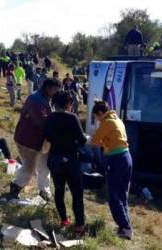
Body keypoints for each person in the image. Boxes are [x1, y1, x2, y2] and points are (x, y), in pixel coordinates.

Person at [8, 78, 60, 201]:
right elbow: (43, 123)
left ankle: (44, 190)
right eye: (55, 90)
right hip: (28, 140)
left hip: (40, 140)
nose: (57, 93)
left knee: (44, 164)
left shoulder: (47, 98)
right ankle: (16, 186)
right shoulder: (36, 101)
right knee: (29, 167)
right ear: (48, 88)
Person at [44, 91, 87, 235]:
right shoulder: (72, 117)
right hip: (70, 160)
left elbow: (47, 137)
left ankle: (63, 220)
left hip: (55, 159)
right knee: (77, 193)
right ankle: (79, 226)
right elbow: (82, 140)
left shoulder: (50, 118)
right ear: (68, 104)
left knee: (59, 190)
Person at [91, 101, 133, 240]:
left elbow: (95, 141)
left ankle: (125, 227)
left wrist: (96, 140)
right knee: (122, 193)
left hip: (115, 159)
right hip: (126, 156)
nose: (97, 120)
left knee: (113, 195)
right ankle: (125, 226)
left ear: (101, 114)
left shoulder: (107, 122)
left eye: (97, 117)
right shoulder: (117, 119)